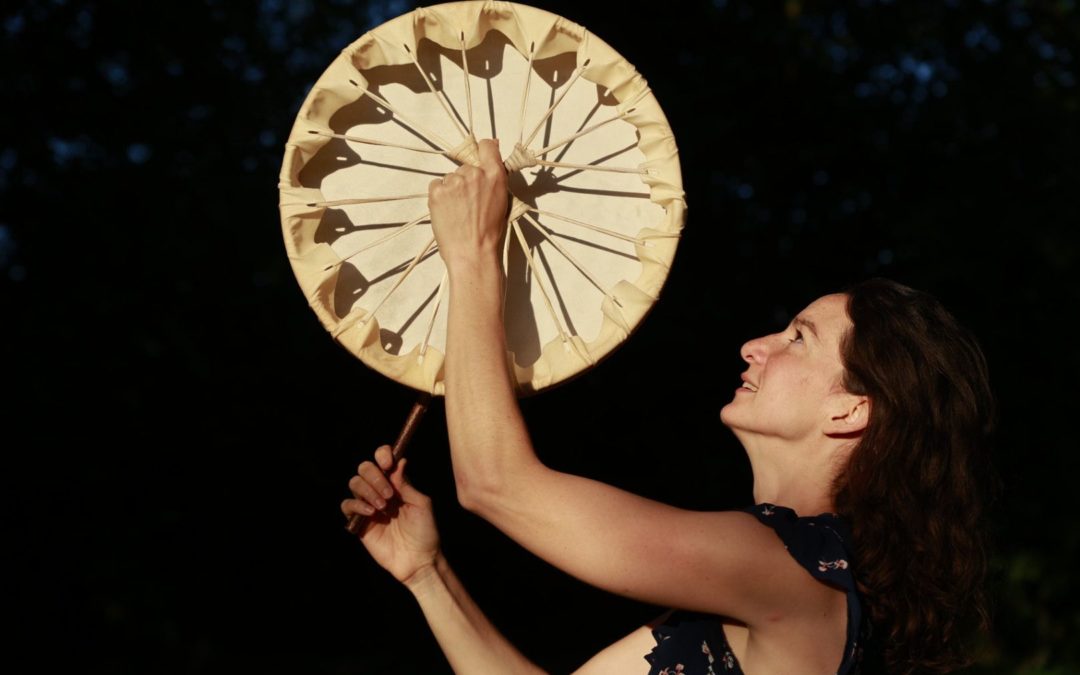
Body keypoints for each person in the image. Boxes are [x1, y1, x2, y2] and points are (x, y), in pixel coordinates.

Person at [341, 139, 994, 674]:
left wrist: (474, 253)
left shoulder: (792, 570)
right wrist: (428, 575)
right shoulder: (777, 582)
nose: (755, 345)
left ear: (852, 409)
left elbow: (496, 484)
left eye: (798, 337)